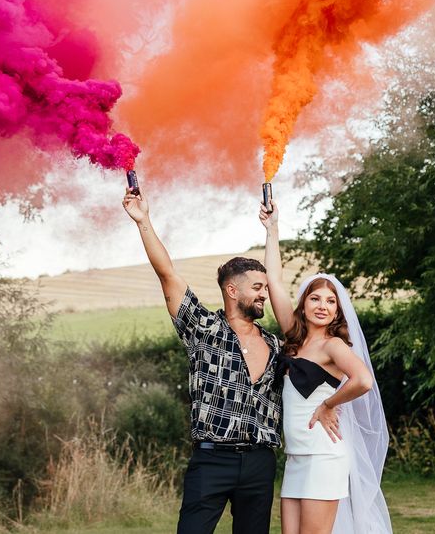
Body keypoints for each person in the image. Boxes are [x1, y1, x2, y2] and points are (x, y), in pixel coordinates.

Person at [123, 184, 282, 534]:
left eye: (266, 289)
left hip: (260, 462)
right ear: (232, 290)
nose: (264, 295)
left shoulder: (276, 343)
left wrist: (272, 231)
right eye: (258, 287)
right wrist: (143, 221)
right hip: (212, 459)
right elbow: (168, 275)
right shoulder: (203, 328)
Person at [260, 200, 393, 534]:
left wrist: (329, 404)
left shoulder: (334, 346)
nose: (322, 305)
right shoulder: (293, 336)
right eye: (315, 298)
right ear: (303, 304)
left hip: (324, 458)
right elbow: (274, 281)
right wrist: (272, 228)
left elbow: (363, 380)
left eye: (330, 301)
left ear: (337, 311)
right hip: (296, 459)